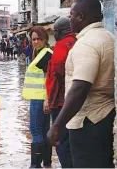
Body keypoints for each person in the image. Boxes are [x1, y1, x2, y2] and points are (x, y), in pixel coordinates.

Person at [47, 0, 115, 168]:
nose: (70, 20)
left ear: (81, 17)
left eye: (72, 15)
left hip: (87, 122)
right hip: (105, 118)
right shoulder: (109, 37)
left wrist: (56, 125)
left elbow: (80, 88)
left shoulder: (87, 44)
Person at [45, 17, 76, 168]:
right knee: (73, 141)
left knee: (61, 141)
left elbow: (57, 69)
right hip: (76, 100)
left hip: (60, 103)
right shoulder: (77, 42)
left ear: (59, 32)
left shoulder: (61, 46)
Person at [22, 26, 53, 168]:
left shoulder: (46, 54)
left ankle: (35, 165)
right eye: (33, 39)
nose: (35, 42)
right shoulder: (41, 53)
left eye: (38, 39)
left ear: (45, 39)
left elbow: (49, 78)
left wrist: (47, 99)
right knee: (44, 130)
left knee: (35, 130)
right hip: (40, 98)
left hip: (40, 99)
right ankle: (47, 162)